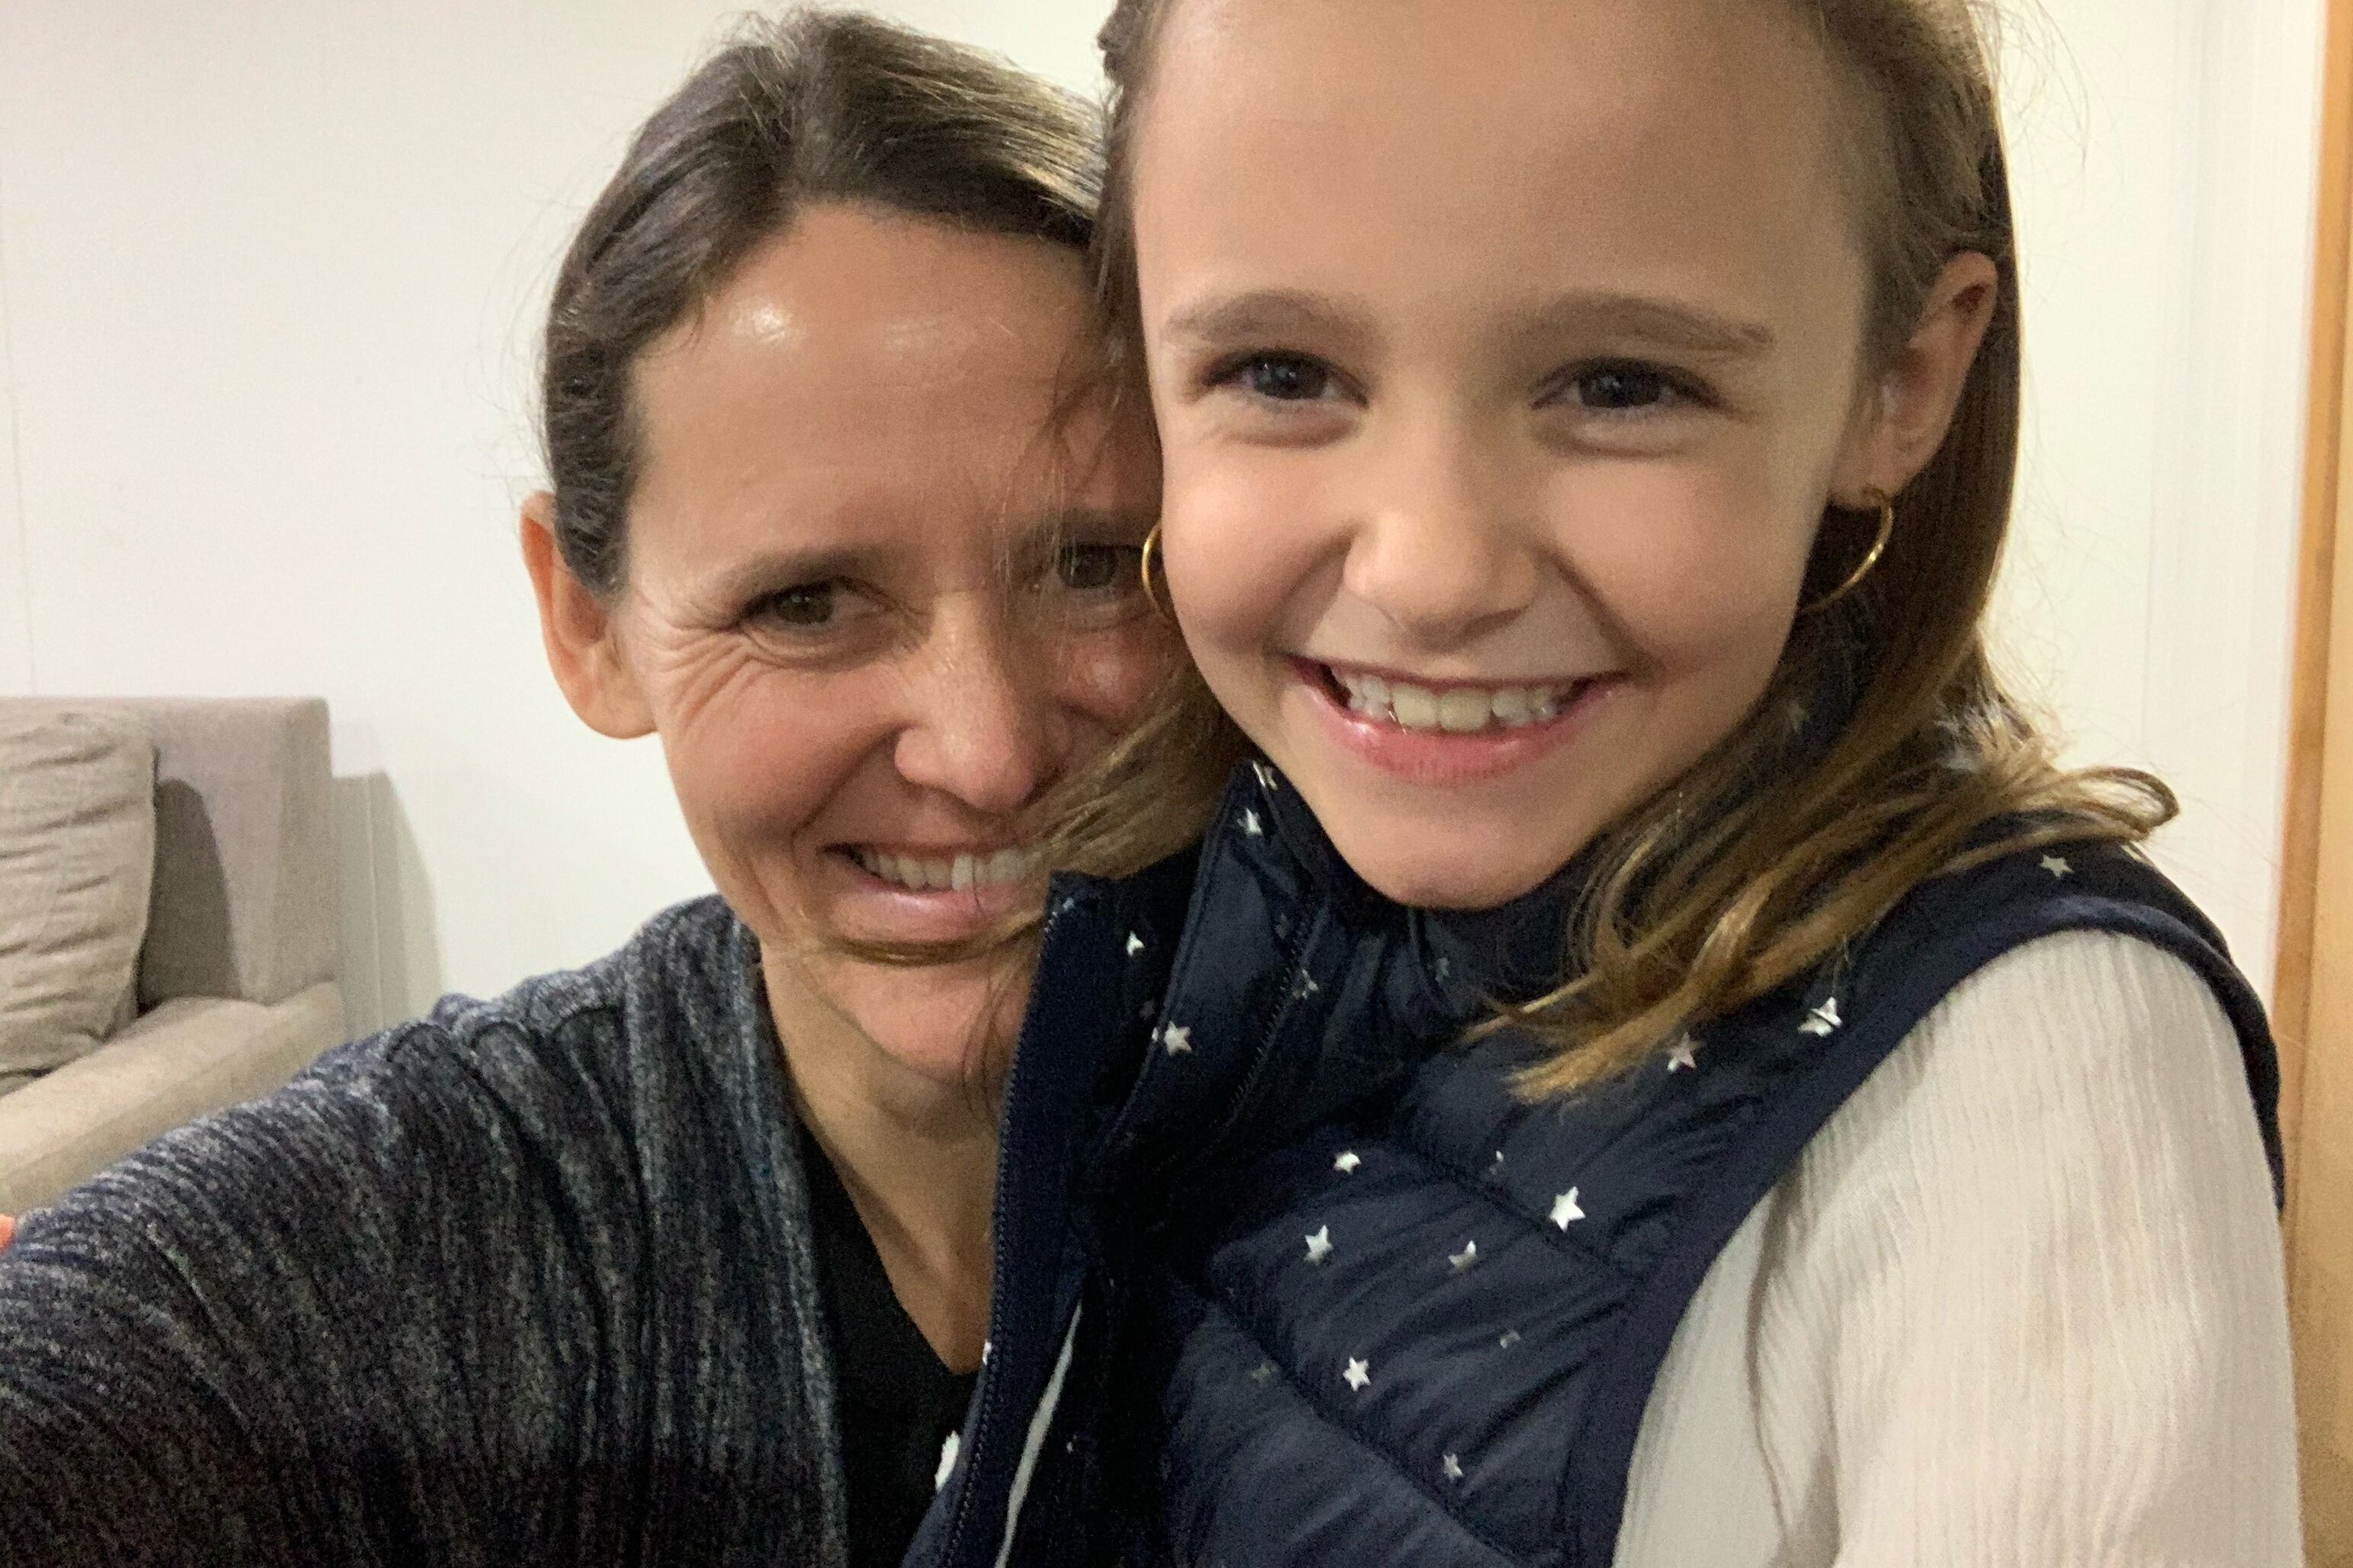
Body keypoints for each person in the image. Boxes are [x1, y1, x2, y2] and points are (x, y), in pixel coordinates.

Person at [916, 0, 2301, 1562]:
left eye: (1622, 386)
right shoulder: (1209, 911)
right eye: (1282, 371)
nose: (1431, 571)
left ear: (1901, 381)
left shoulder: (2031, 1073)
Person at [0, 14, 1176, 1566]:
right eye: (806, 602)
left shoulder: (1429, 1145)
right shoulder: (419, 1234)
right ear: (586, 623)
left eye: (1095, 566)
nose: (988, 750)